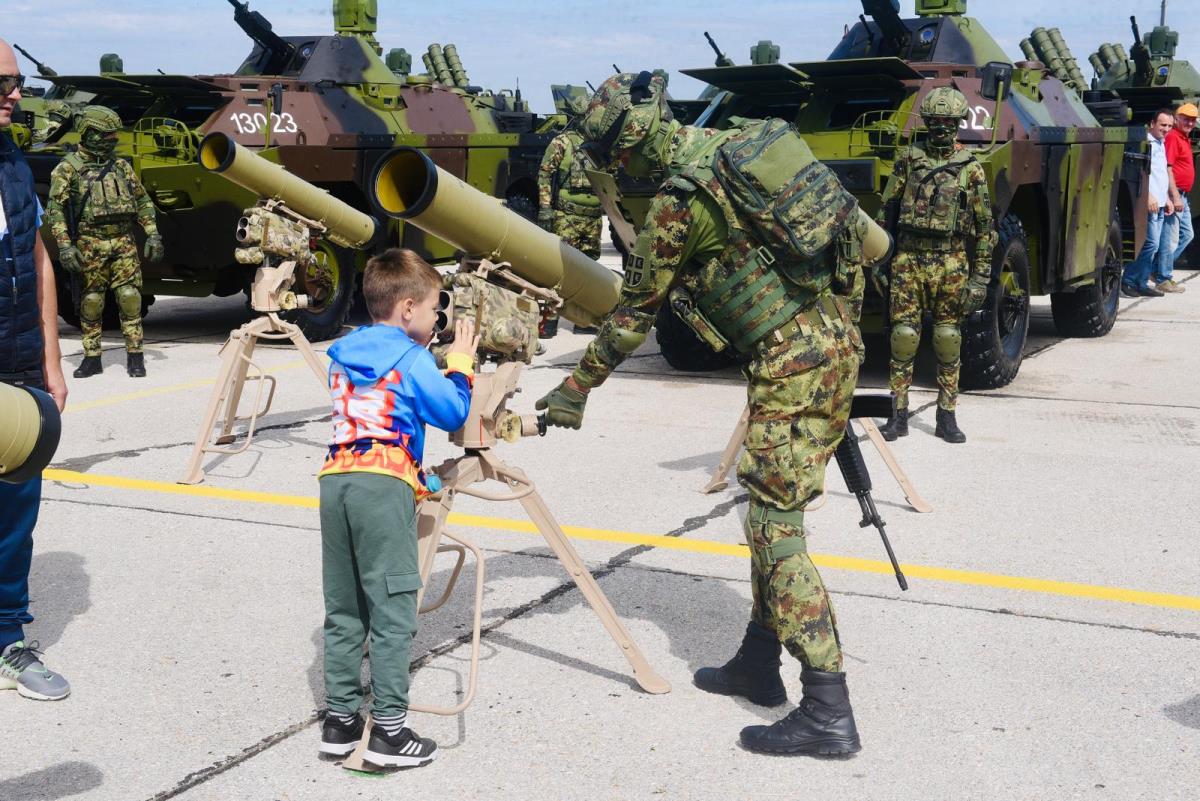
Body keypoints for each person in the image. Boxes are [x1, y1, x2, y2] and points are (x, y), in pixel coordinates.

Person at [536, 72, 874, 756]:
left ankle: (828, 708)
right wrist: (833, 339)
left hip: (791, 362)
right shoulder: (743, 145)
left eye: (614, 161)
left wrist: (577, 387)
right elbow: (849, 244)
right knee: (764, 508)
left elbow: (633, 314)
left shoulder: (675, 205)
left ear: (626, 151)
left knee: (777, 529)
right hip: (831, 340)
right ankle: (759, 658)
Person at [316, 248, 478, 768]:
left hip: (336, 480)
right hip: (382, 489)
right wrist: (462, 368)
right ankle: (389, 730)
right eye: (434, 310)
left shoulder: (342, 353)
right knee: (392, 611)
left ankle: (340, 721)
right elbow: (452, 409)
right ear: (407, 308)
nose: (437, 320)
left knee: (345, 609)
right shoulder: (409, 358)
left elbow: (372, 424)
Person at [0, 38, 70, 701]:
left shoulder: (13, 162)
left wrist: (50, 357)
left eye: (15, 83)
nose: (14, 95)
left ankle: (6, 641)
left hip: (17, 359)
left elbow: (38, 254)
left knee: (15, 503)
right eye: (1, 84)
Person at [876, 87, 994, 444]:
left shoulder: (970, 169)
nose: (940, 129)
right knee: (904, 338)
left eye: (947, 122)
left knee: (947, 338)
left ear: (958, 124)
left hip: (951, 261)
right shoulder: (908, 160)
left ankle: (947, 415)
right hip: (909, 259)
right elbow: (887, 214)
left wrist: (980, 278)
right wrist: (880, 261)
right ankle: (897, 415)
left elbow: (986, 229)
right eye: (934, 122)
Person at [45, 104, 163, 378]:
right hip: (89, 244)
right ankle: (92, 357)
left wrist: (153, 233)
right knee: (92, 301)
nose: (110, 141)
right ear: (86, 133)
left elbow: (143, 201)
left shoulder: (121, 166)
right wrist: (64, 245)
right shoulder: (67, 169)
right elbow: (55, 210)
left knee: (130, 297)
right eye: (103, 135)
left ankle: (135, 355)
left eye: (113, 136)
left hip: (123, 242)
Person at [536, 101, 603, 337]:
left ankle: (584, 320)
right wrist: (545, 208)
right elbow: (545, 174)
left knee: (591, 270)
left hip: (593, 219)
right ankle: (550, 320)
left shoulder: (601, 145)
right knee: (559, 271)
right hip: (567, 216)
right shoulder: (561, 142)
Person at [1121, 110, 1177, 299]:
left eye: (1169, 126)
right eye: (1163, 125)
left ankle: (1142, 282)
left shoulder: (1161, 143)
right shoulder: (1145, 143)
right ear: (1152, 123)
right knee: (1148, 244)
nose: (1166, 129)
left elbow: (1159, 174)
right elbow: (1137, 174)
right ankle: (1128, 281)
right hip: (1149, 202)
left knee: (1152, 245)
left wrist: (1167, 198)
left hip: (1160, 203)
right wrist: (1148, 196)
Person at [1160, 102, 1196, 289]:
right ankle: (1163, 277)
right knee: (1170, 238)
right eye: (1186, 119)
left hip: (1183, 195)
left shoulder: (1183, 138)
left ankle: (1159, 268)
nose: (1190, 123)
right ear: (1177, 119)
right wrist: (1174, 197)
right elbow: (1168, 167)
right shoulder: (1174, 137)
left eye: (1193, 120)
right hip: (1176, 195)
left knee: (1187, 234)